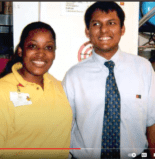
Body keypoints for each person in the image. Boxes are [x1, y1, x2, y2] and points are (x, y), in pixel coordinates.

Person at [62, 2, 155, 158]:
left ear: (122, 29)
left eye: (111, 23)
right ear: (87, 31)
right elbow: (64, 128)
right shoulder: (73, 76)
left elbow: (152, 122)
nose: (104, 30)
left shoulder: (144, 69)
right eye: (96, 24)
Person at [0, 22, 73, 159]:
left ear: (54, 53)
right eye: (33, 46)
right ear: (21, 51)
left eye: (48, 47)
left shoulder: (60, 87)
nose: (41, 53)